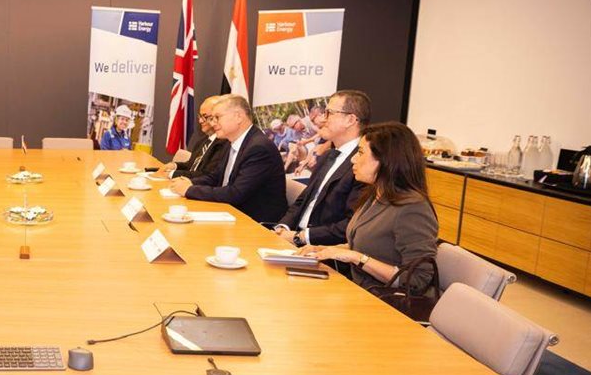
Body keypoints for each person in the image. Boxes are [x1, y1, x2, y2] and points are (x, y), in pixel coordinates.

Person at [298, 122, 439, 294]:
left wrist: (358, 258)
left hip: (382, 301)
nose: (353, 159)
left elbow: (417, 280)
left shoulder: (413, 208)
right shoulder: (374, 194)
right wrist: (324, 250)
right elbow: (363, 246)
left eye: (360, 152)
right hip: (357, 290)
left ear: (385, 160)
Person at [168, 95, 286, 223]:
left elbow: (236, 193)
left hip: (254, 223)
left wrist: (189, 190)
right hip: (230, 212)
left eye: (217, 117)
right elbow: (215, 177)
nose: (212, 123)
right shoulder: (232, 142)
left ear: (238, 117)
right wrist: (190, 182)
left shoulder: (259, 148)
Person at [274, 90, 371, 247]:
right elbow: (303, 200)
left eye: (329, 113)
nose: (322, 119)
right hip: (293, 239)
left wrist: (301, 237)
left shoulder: (365, 164)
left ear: (350, 120)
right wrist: (282, 227)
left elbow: (351, 224)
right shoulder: (328, 156)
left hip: (323, 249)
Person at [163, 95, 229, 179]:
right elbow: (191, 166)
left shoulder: (223, 144)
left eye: (205, 117)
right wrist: (174, 165)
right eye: (200, 116)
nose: (200, 121)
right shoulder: (202, 141)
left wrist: (171, 174)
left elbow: (207, 175)